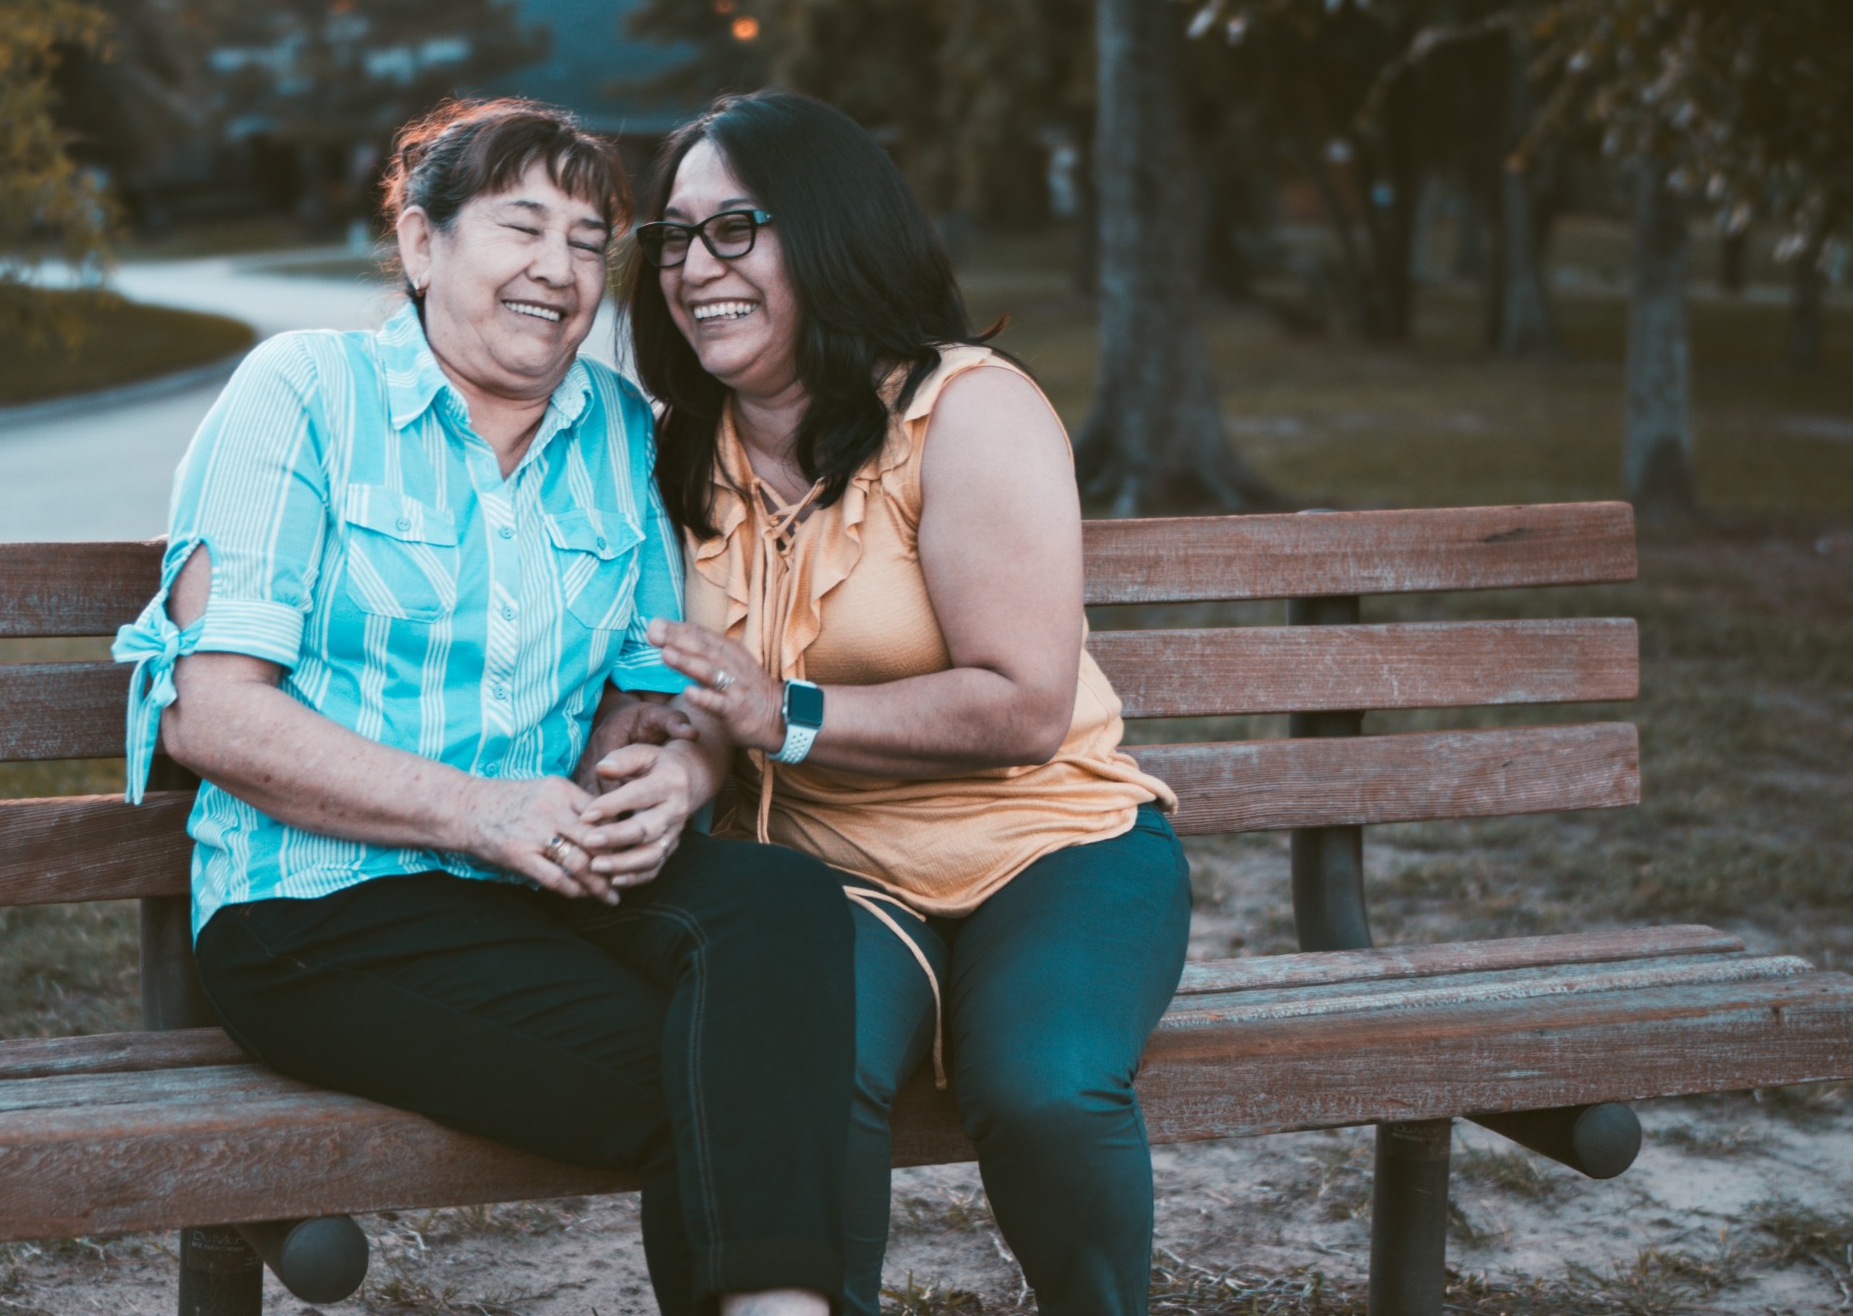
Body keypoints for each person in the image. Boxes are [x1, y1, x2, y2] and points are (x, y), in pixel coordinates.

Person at [111, 98, 852, 1316]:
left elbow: (649, 688)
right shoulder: (303, 393)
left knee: (778, 901)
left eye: (586, 238)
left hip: (541, 887)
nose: (558, 270)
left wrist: (668, 773)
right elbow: (210, 712)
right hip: (318, 916)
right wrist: (475, 811)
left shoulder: (619, 430)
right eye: (522, 226)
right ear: (420, 245)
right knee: (727, 1081)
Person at [622, 92, 1192, 1316]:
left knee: (1042, 1086)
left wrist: (790, 715)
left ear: (827, 233)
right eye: (673, 236)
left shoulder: (966, 410)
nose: (693, 268)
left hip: (1051, 850)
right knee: (790, 1085)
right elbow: (693, 693)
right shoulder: (673, 449)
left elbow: (1024, 703)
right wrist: (671, 754)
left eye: (736, 229)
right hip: (827, 872)